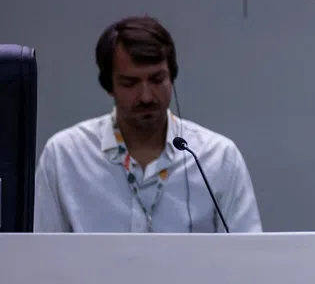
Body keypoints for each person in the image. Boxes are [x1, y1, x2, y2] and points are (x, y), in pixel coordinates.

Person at [34, 16, 263, 233]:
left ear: (172, 77)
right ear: (108, 85)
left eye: (156, 80)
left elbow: (248, 259)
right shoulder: (65, 157)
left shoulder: (217, 157)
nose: (146, 96)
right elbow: (39, 258)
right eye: (130, 83)